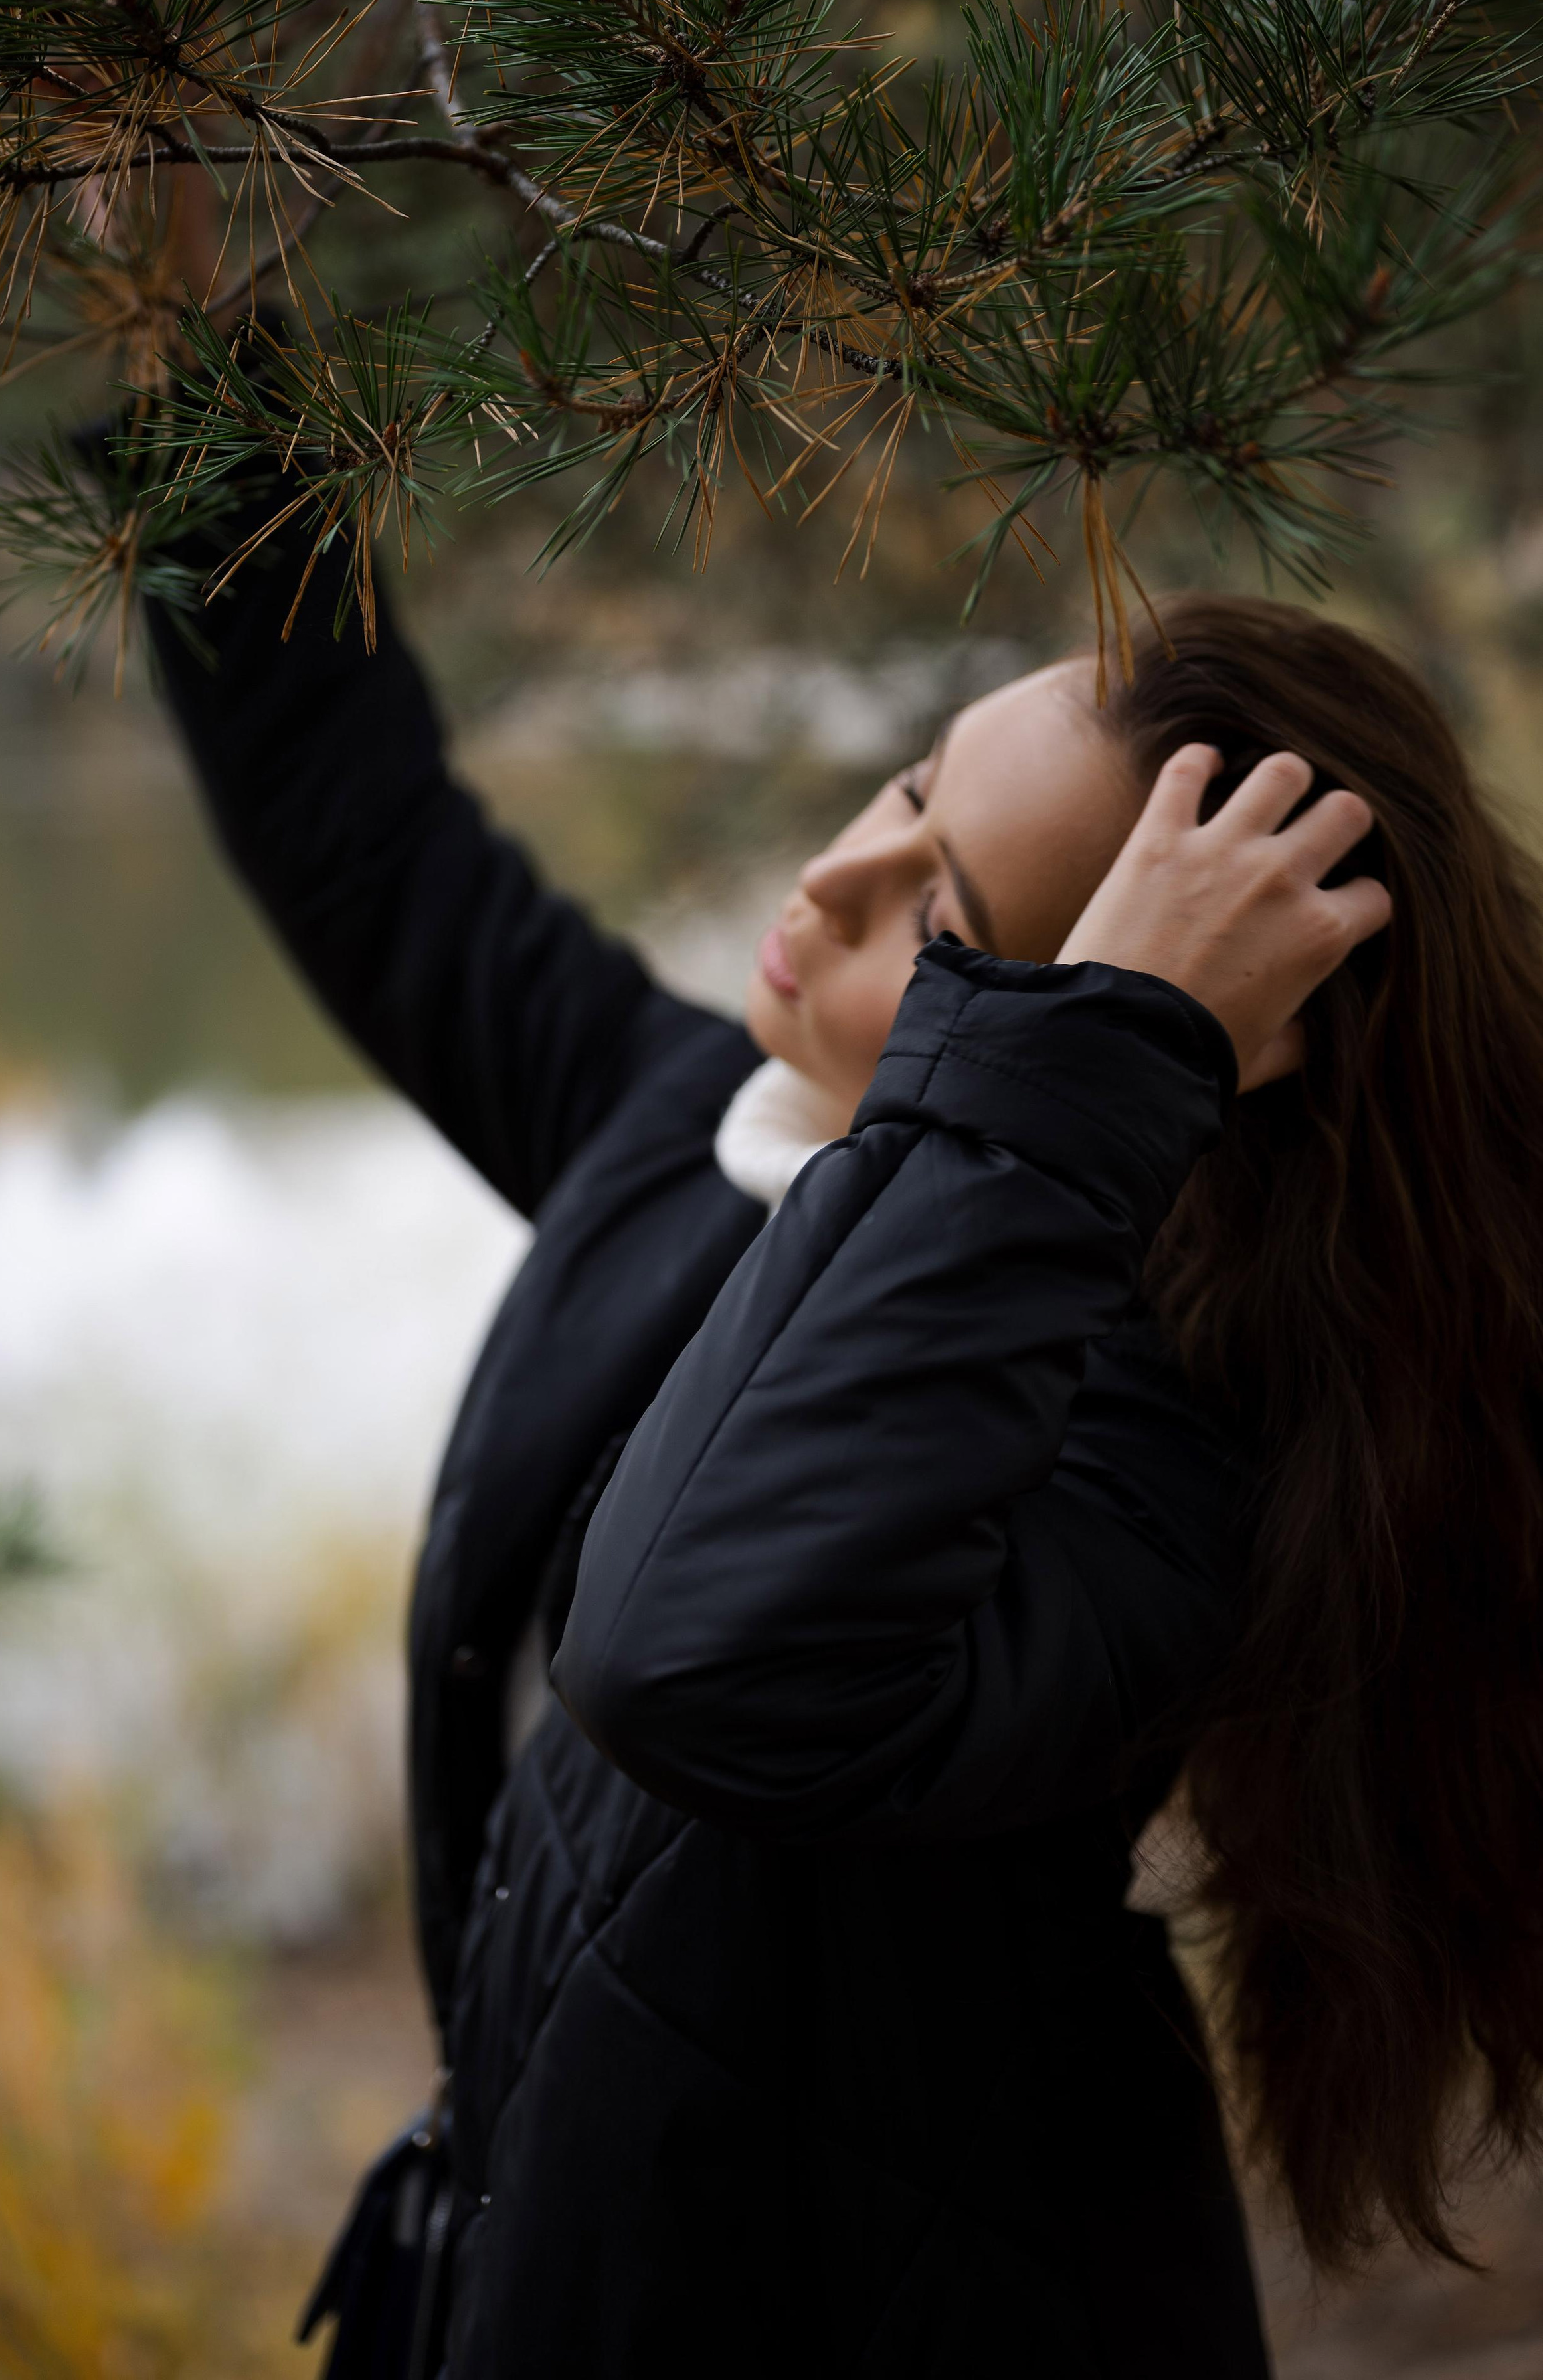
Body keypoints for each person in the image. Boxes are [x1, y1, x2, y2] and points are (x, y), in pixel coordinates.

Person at [148, 507, 1543, 2379]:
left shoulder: (1150, 1484)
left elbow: (694, 1653)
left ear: (1151, 1058)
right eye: (905, 783)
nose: (829, 877)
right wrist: (199, 390)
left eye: (949, 921)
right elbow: (371, 842)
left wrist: (1086, 1066)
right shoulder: (708, 1138)